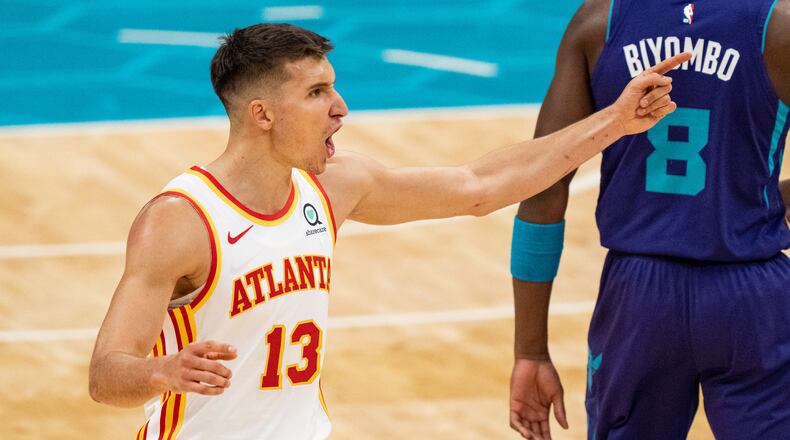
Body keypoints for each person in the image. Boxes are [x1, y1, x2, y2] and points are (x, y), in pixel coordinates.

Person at [87, 23, 686, 439]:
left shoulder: (333, 186)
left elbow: (480, 185)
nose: (340, 107)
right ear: (262, 114)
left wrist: (614, 122)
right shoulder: (180, 219)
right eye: (317, 92)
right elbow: (106, 374)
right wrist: (159, 372)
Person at [508, 1, 790, 439]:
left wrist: (530, 350)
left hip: (637, 300)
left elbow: (543, 189)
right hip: (751, 294)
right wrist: (761, 200)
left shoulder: (599, 21)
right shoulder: (779, 24)